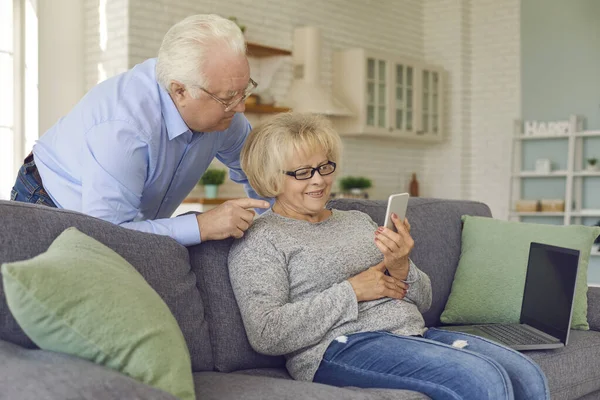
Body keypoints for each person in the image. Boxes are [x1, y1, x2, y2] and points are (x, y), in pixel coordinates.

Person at [228, 113, 549, 400]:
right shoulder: (262, 237)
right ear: (271, 177)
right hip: (339, 348)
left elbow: (421, 300)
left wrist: (401, 265)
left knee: (526, 374)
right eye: (302, 172)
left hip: (411, 333)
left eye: (325, 167)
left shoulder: (356, 220)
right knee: (482, 379)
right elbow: (266, 334)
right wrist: (353, 291)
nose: (319, 180)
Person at [10, 14, 270, 246]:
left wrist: (282, 225)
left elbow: (262, 174)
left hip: (117, 221)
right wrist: (201, 226)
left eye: (244, 90)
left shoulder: (225, 112)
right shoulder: (124, 129)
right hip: (49, 200)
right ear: (180, 91)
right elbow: (107, 235)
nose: (240, 108)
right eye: (228, 98)